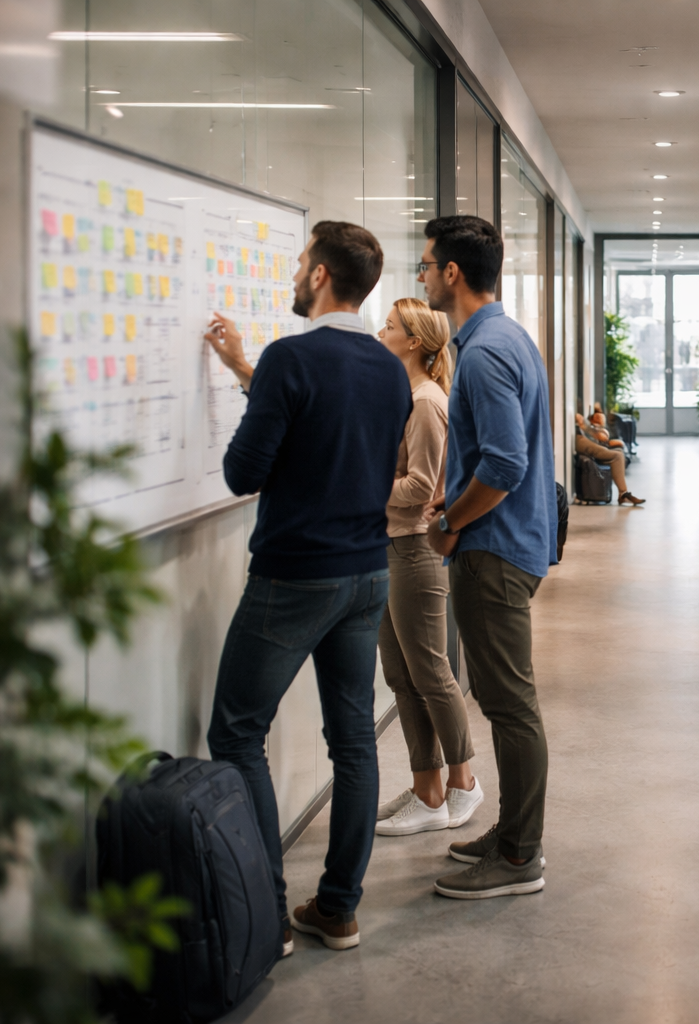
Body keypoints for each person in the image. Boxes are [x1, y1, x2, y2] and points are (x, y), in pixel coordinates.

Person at [203, 222, 411, 954]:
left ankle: (264, 912)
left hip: (295, 576)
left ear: (320, 275)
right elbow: (336, 430)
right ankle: (338, 909)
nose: (294, 275)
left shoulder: (293, 359)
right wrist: (243, 371)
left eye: (299, 265)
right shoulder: (389, 369)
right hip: (367, 573)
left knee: (234, 731)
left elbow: (242, 474)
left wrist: (254, 389)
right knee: (354, 738)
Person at [418, 214, 556, 899]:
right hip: (509, 547)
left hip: (495, 551)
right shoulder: (505, 338)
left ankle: (521, 855)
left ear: (452, 272)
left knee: (510, 704)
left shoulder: (485, 352)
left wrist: (448, 522)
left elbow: (503, 464)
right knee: (506, 700)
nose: (420, 276)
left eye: (425, 265)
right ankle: (509, 836)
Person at [372, 297, 485, 837]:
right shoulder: (404, 395)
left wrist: (361, 488)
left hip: (414, 551)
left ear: (414, 341)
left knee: (432, 673)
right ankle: (427, 789)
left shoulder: (425, 401)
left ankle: (462, 783)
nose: (380, 330)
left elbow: (423, 486)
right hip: (389, 546)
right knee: (402, 676)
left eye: (390, 326)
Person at [574, 411, 645, 505]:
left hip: (585, 438)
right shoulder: (580, 419)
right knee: (617, 455)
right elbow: (598, 435)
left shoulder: (588, 423)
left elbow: (600, 436)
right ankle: (623, 494)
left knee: (619, 453)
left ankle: (623, 493)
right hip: (581, 440)